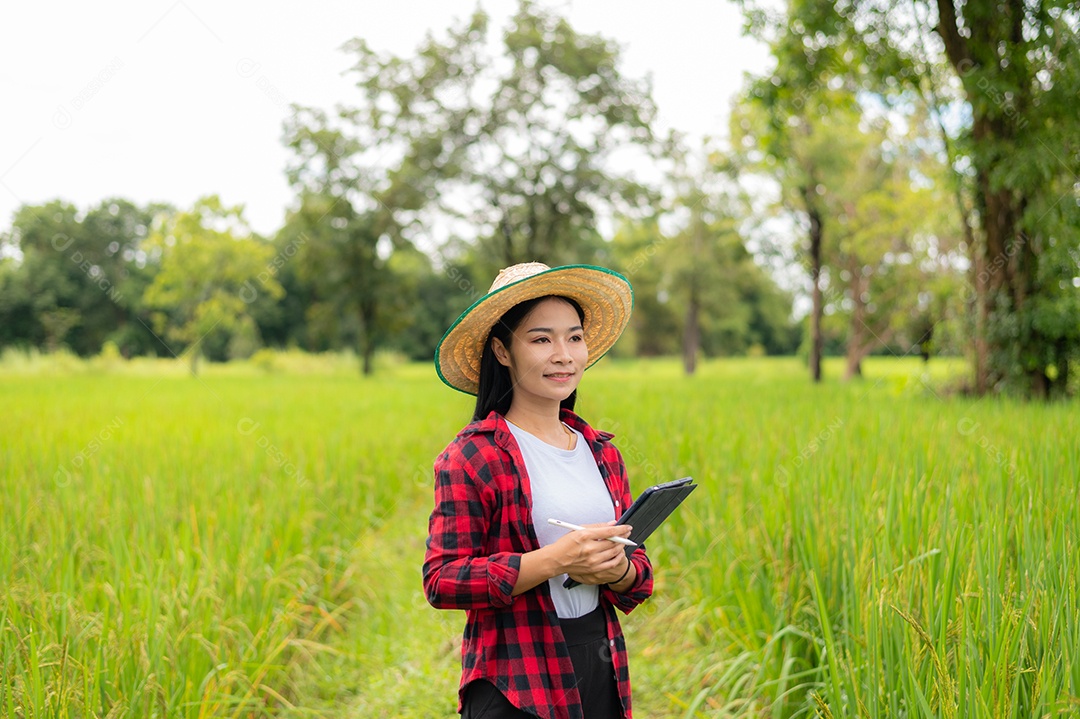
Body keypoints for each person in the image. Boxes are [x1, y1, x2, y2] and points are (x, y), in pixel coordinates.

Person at [423, 262, 654, 719]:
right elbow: (442, 580)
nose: (564, 355)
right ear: (502, 351)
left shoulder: (602, 453)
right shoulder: (474, 456)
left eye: (574, 337)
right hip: (515, 675)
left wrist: (617, 570)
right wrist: (556, 560)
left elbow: (639, 575)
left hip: (600, 661)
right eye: (541, 339)